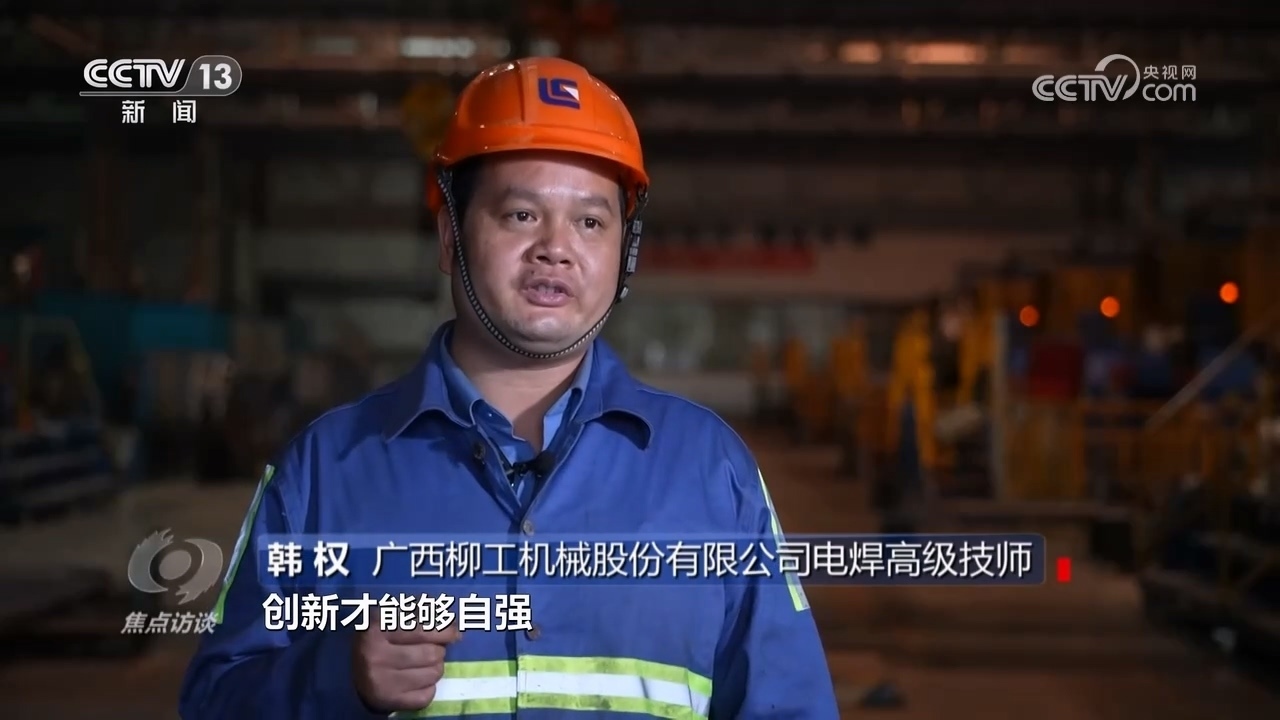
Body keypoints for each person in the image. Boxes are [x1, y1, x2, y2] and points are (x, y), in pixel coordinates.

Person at [179, 57, 838, 720]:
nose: (556, 248)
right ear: (450, 237)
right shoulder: (325, 471)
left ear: (625, 252)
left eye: (590, 222)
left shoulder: (710, 471)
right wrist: (335, 678)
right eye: (521, 214)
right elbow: (214, 702)